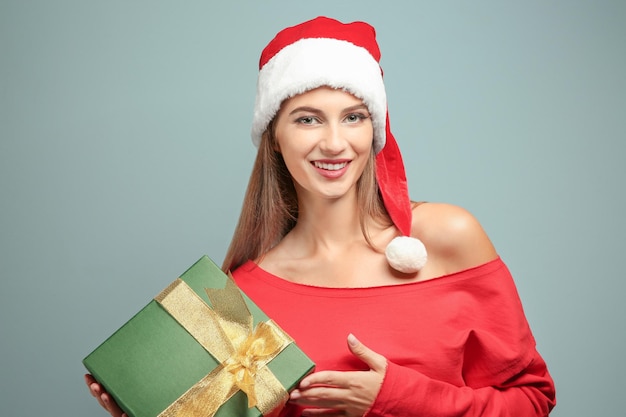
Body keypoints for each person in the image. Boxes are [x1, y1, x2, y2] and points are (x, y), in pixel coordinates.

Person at [86, 16, 556, 417]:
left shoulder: (446, 236)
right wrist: (150, 404)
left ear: (375, 127)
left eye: (353, 117)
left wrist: (397, 396)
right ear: (273, 136)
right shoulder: (242, 295)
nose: (334, 143)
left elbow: (533, 400)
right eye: (308, 119)